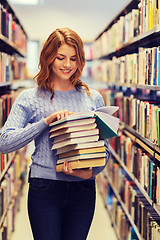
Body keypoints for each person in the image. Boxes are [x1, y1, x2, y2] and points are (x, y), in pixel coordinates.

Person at [0, 27, 110, 240]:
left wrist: (92, 172)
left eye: (74, 58)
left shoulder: (93, 98)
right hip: (45, 190)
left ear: (80, 61)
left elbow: (103, 150)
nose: (68, 65)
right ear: (48, 57)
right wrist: (45, 122)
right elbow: (4, 143)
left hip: (83, 190)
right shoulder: (29, 98)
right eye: (61, 57)